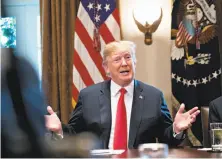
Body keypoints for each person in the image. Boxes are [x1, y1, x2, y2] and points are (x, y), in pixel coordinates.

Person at [45, 41, 200, 149]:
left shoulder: (154, 96)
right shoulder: (88, 96)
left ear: (135, 62)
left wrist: (176, 129)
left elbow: (167, 138)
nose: (124, 63)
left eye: (128, 57)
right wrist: (59, 130)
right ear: (106, 68)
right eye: (117, 59)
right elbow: (74, 135)